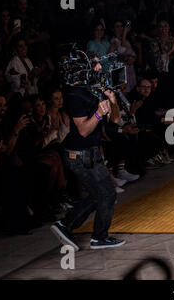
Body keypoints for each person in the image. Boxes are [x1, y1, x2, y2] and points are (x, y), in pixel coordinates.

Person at [50, 56, 125, 251]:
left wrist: (112, 101)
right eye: (96, 64)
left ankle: (68, 225)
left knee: (100, 194)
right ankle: (95, 235)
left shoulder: (94, 89)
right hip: (78, 153)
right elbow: (83, 130)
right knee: (106, 193)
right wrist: (99, 114)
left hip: (90, 151)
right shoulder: (75, 95)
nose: (100, 67)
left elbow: (115, 119)